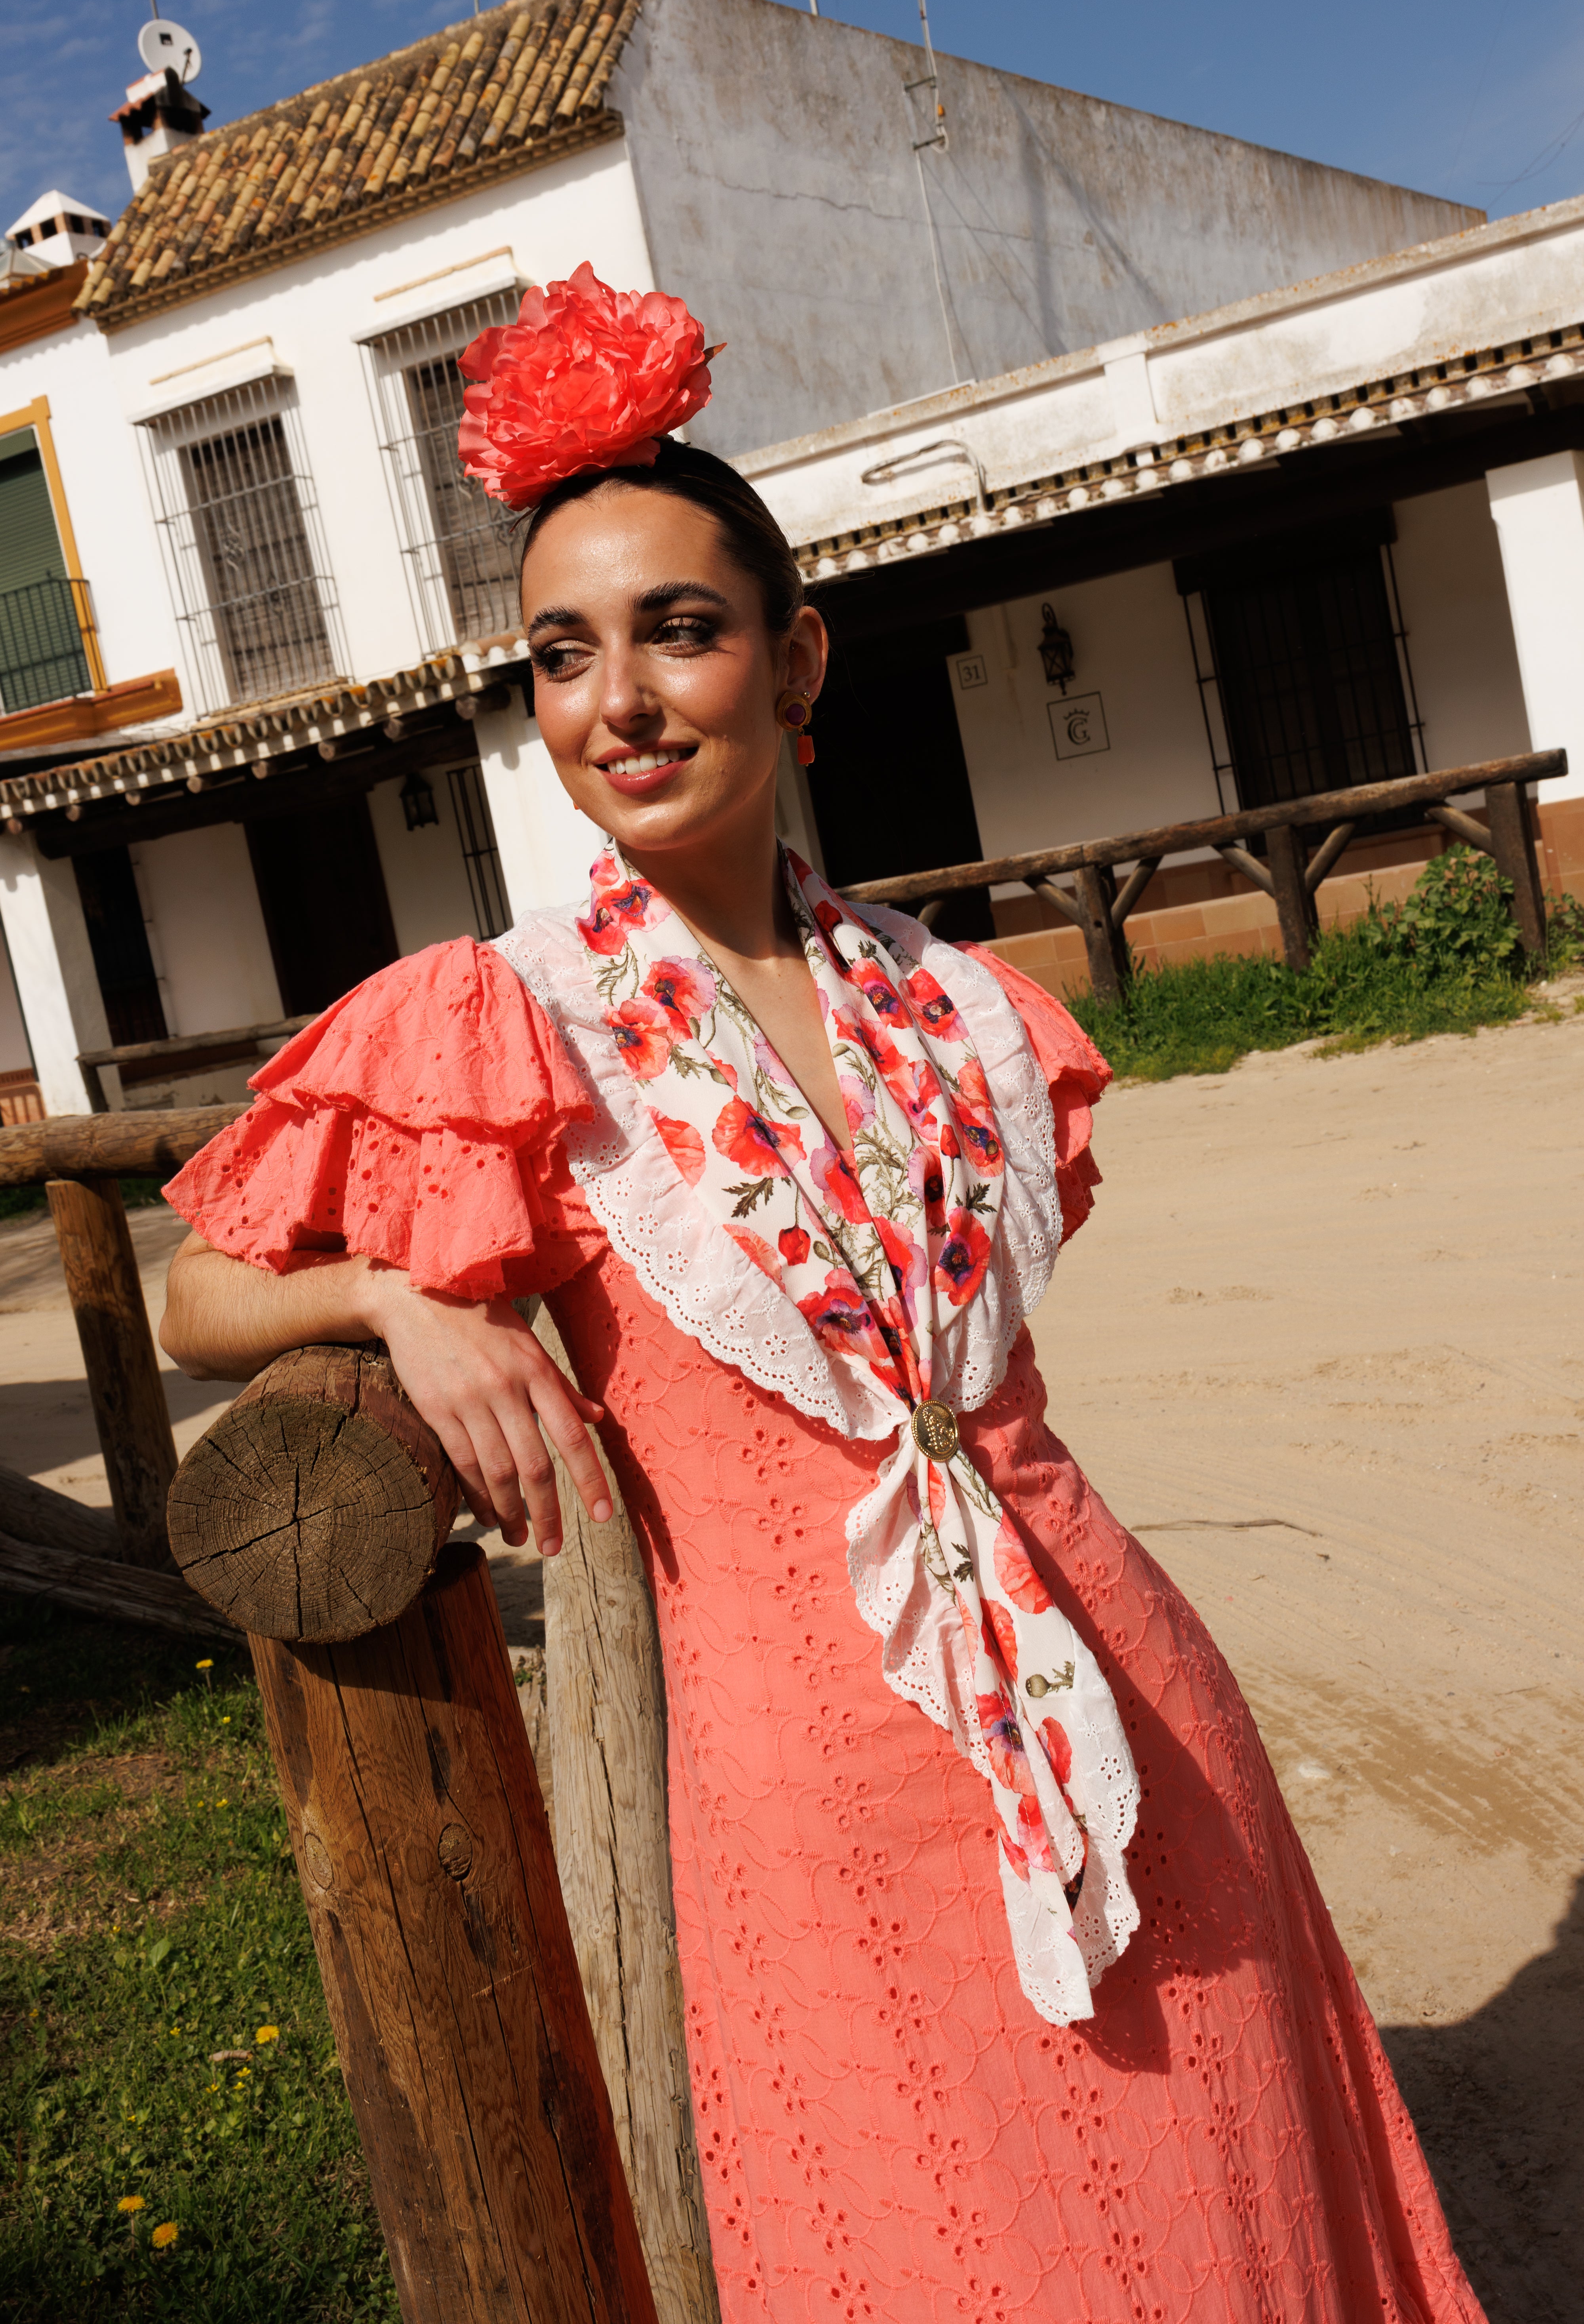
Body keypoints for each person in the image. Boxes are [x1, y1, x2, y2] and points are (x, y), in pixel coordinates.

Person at [161, 265, 1485, 2323]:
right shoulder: (503, 1019)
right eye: (563, 655)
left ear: (797, 664)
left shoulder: (962, 1007)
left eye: (680, 630)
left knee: (1231, 2240)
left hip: (1132, 1709)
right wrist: (407, 1301)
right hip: (807, 1810)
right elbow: (199, 1296)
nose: (619, 701)